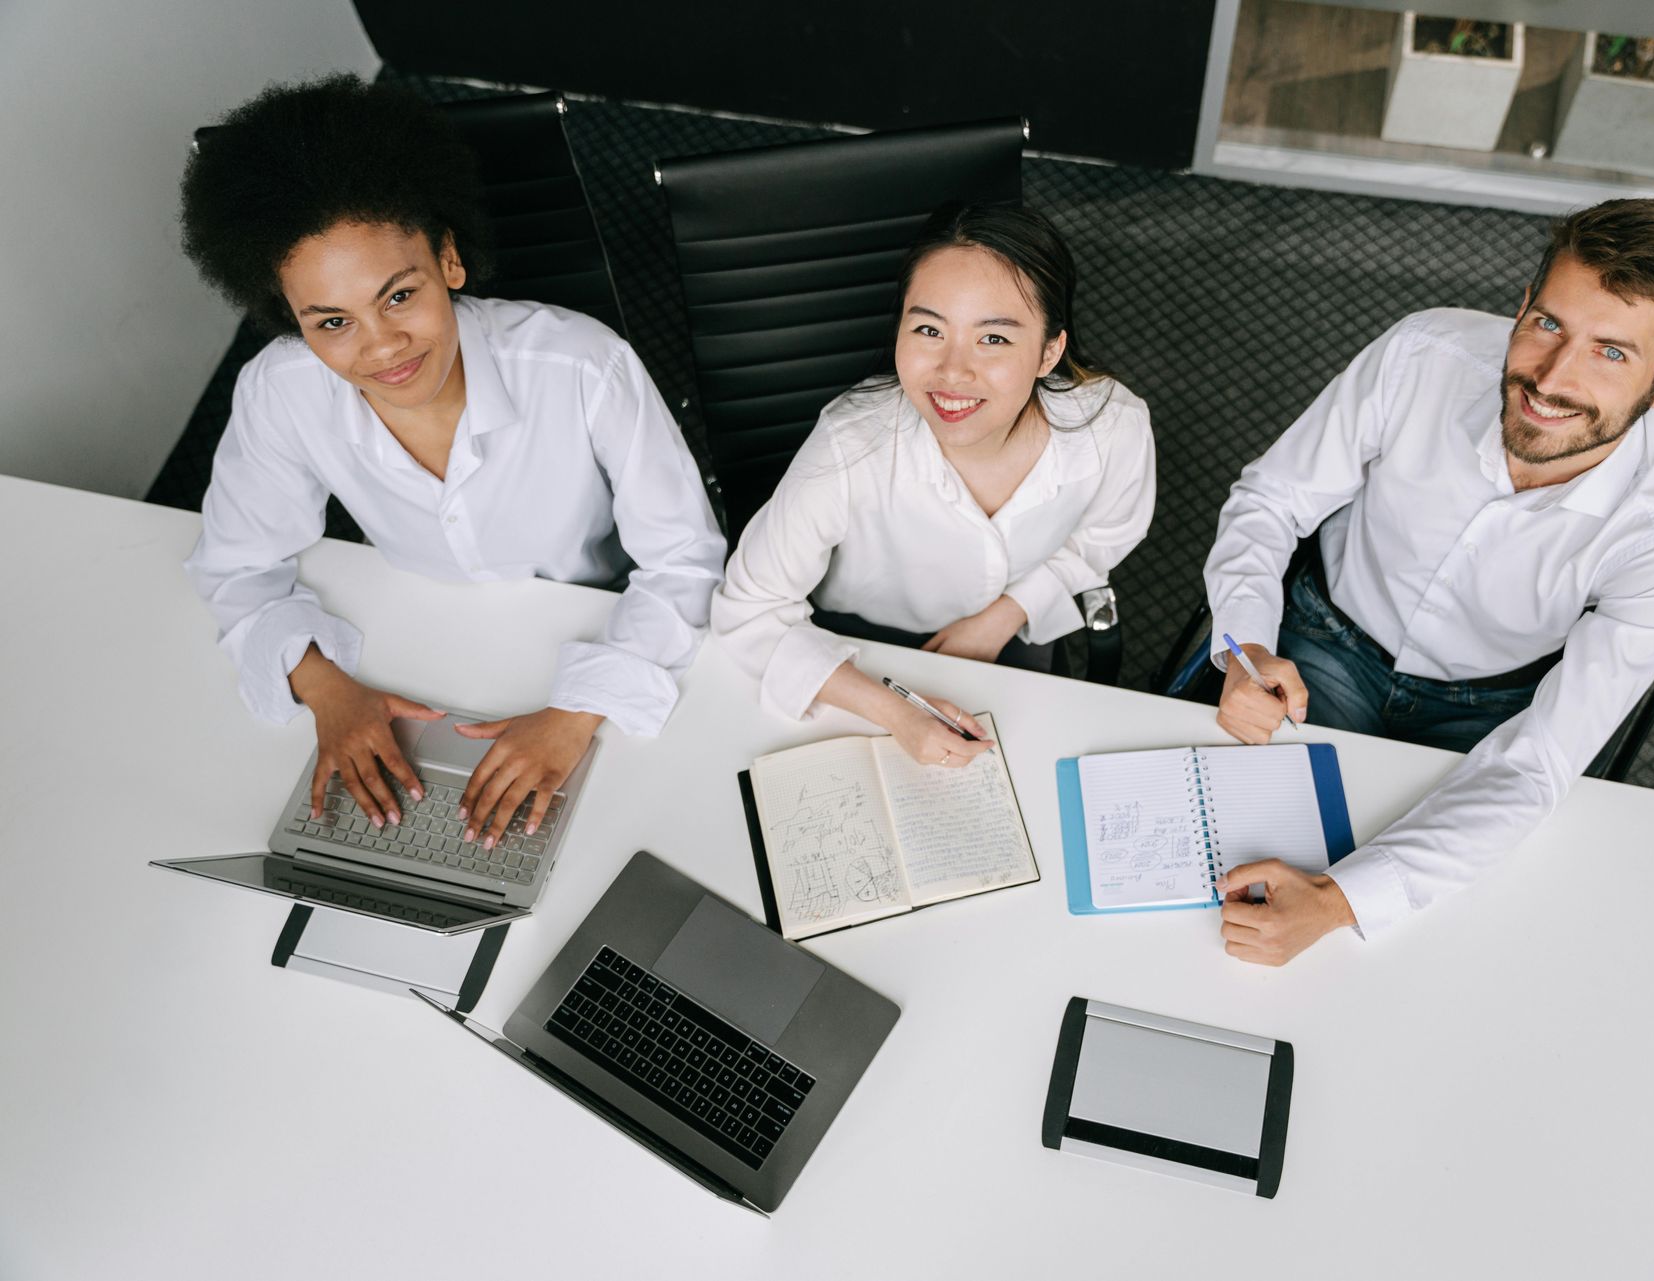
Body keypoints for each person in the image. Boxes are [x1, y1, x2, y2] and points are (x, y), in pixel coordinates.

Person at [179, 76, 725, 849]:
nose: (380, 346)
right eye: (332, 321)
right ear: (291, 321)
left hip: (586, 614)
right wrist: (324, 686)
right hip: (415, 631)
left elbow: (685, 560)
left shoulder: (583, 366)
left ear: (449, 260)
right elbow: (235, 567)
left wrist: (578, 711)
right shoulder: (281, 389)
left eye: (399, 295)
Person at [1204, 198, 1654, 965]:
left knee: (1440, 943)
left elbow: (1537, 762)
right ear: (1521, 305)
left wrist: (1340, 902)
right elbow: (1271, 500)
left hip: (1489, 705)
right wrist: (1245, 640)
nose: (1551, 380)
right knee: (1218, 863)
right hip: (1323, 640)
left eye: (1611, 353)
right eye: (1548, 324)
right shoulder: (1424, 352)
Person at [710, 203, 1156, 766]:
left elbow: (1106, 535)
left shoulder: (1113, 426)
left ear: (1049, 352)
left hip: (1014, 632)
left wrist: (1009, 612)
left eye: (993, 339)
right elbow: (747, 610)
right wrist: (896, 713)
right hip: (855, 649)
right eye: (928, 329)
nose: (952, 371)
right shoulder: (850, 444)